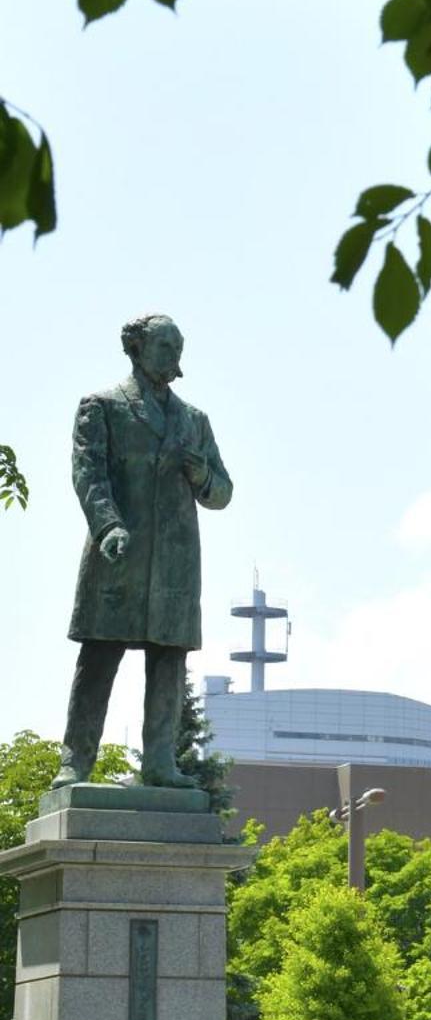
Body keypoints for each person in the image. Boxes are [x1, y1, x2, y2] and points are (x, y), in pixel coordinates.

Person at [52, 313, 234, 790]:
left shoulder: (194, 421)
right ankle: (76, 762)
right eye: (163, 346)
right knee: (99, 657)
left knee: (169, 660)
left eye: (178, 346)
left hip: (175, 562)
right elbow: (88, 474)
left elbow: (222, 492)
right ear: (136, 349)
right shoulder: (103, 406)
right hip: (119, 555)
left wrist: (201, 476)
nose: (173, 355)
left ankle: (159, 763)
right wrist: (108, 525)